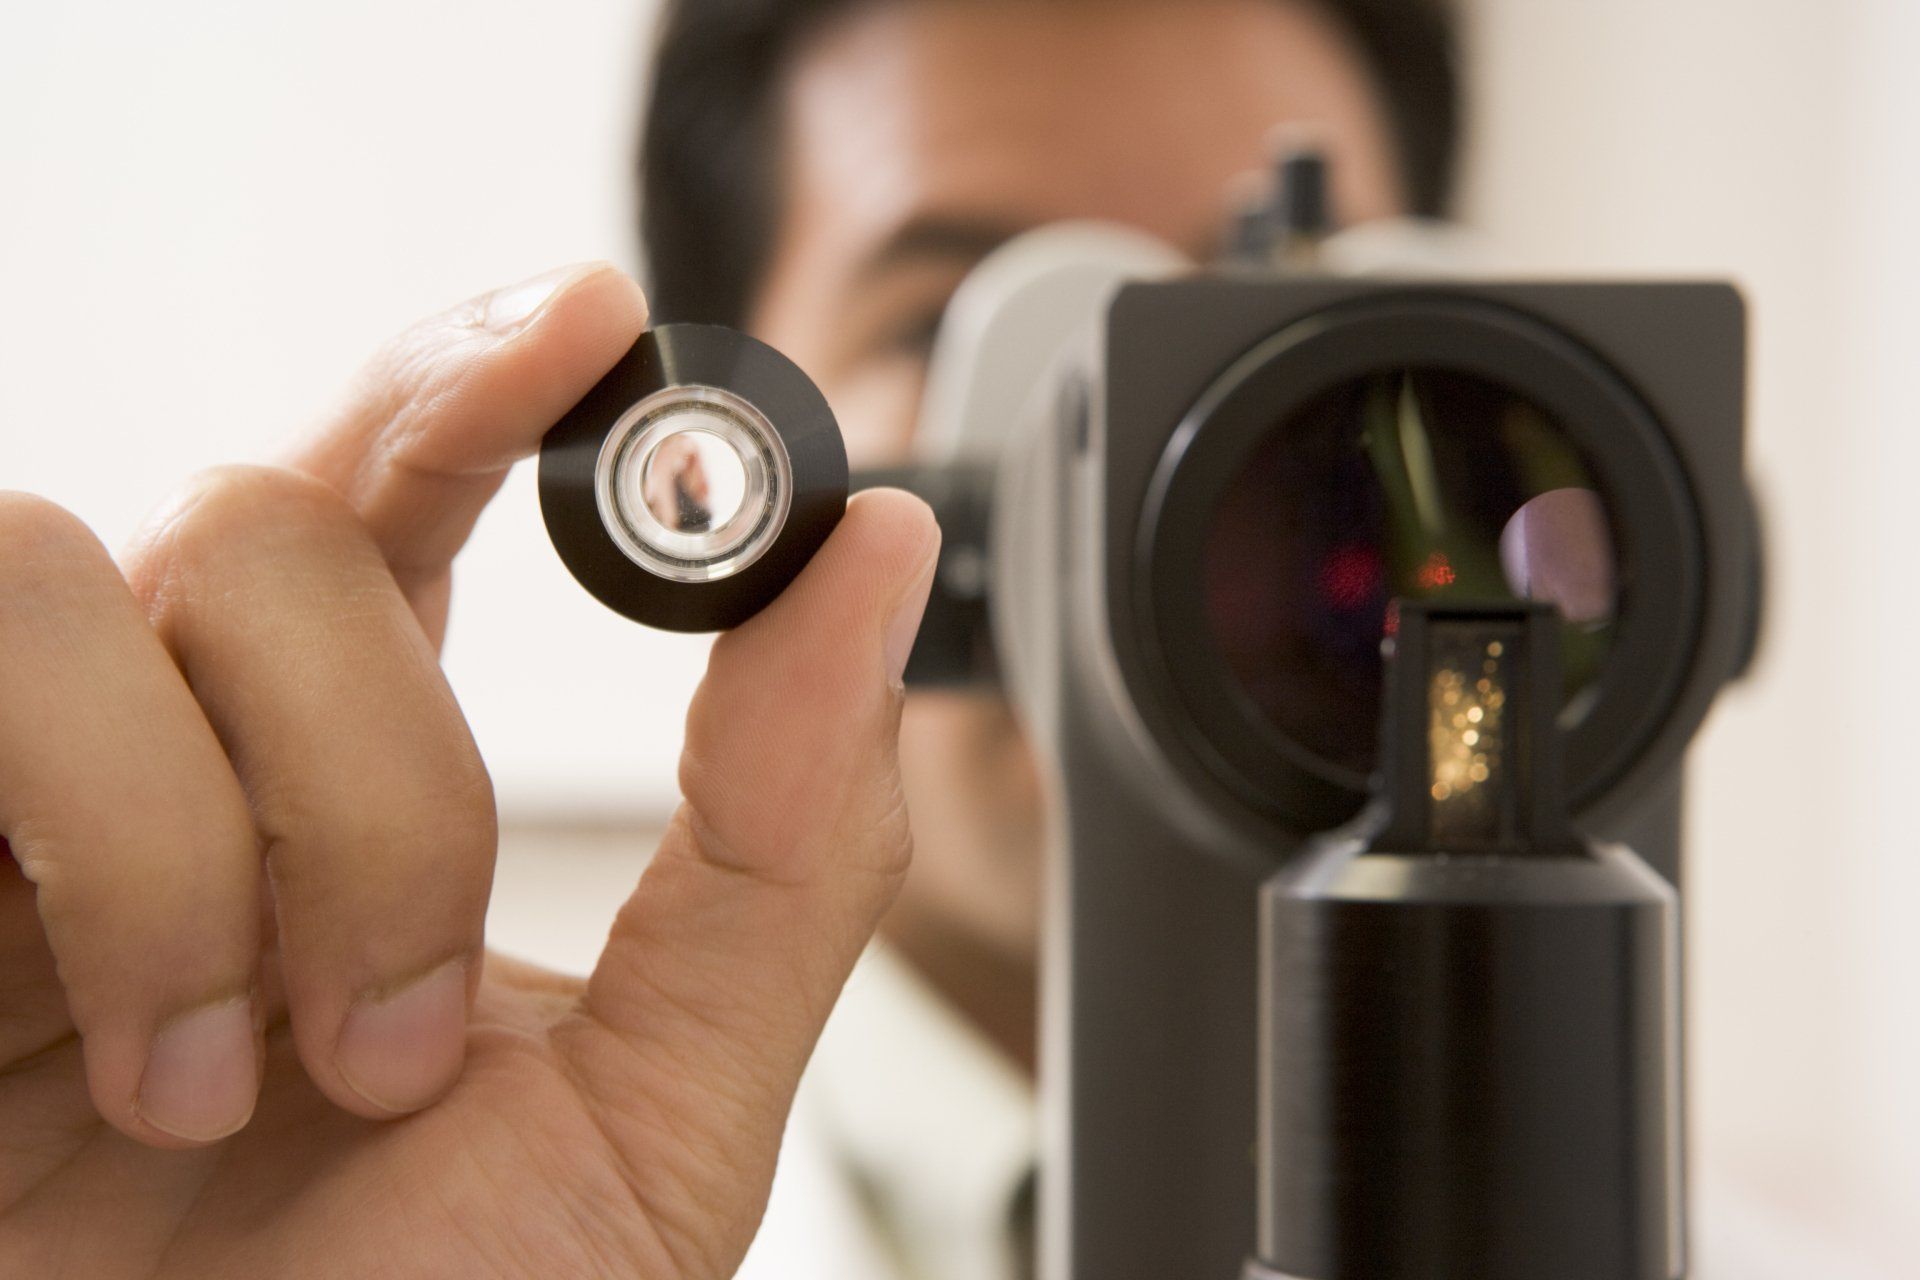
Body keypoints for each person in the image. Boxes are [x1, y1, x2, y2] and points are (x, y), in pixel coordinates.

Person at [0, 0, 1456, 1275]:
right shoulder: (399, 1173)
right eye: (960, 313)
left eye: (1279, 320)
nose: (1178, 471)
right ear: (732, 446)